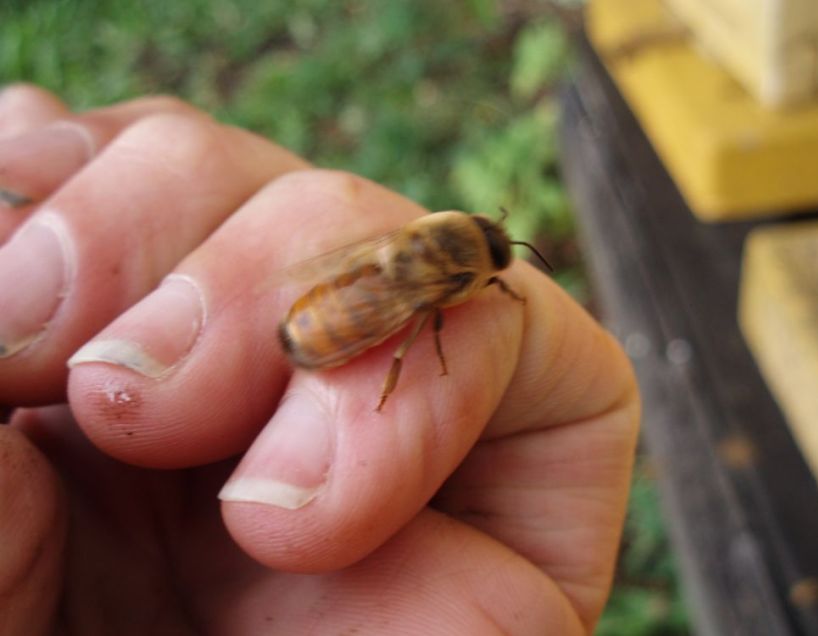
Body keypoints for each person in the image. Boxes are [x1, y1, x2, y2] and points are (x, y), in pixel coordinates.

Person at [0, 84, 639, 635]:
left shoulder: (424, 252)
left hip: (334, 300)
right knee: (417, 330)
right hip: (342, 323)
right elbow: (442, 318)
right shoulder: (459, 288)